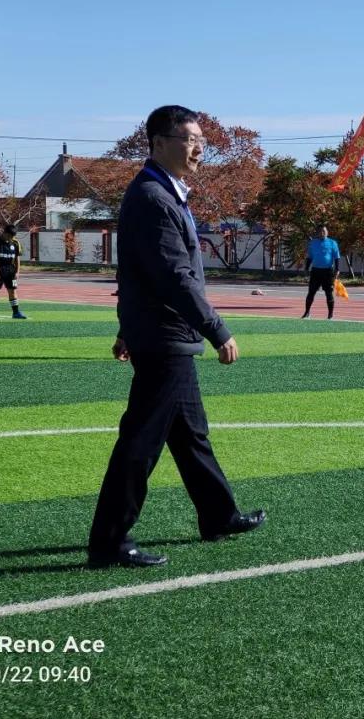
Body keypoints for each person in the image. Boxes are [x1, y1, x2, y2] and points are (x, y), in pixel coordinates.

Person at [88, 105, 266, 568]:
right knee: (141, 441)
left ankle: (218, 514)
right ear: (158, 142)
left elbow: (138, 272)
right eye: (189, 139)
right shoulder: (152, 197)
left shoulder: (164, 193)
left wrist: (128, 328)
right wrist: (217, 330)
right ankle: (109, 540)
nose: (199, 148)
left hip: (162, 334)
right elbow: (174, 275)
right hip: (166, 337)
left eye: (201, 140)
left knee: (190, 435)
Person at [0, 224, 27, 320]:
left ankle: (16, 313)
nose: (10, 238)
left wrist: (17, 272)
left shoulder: (16, 243)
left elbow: (17, 258)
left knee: (13, 291)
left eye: (13, 236)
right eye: (9, 236)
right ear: (5, 233)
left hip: (11, 271)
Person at [302, 225, 341, 319]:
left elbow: (337, 257)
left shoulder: (332, 243)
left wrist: (337, 269)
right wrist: (306, 268)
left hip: (328, 272)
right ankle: (307, 313)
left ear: (327, 232)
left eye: (324, 231)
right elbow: (309, 257)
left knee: (329, 293)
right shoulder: (313, 243)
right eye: (320, 231)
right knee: (311, 292)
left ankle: (330, 316)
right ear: (317, 233)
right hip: (315, 271)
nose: (322, 233)